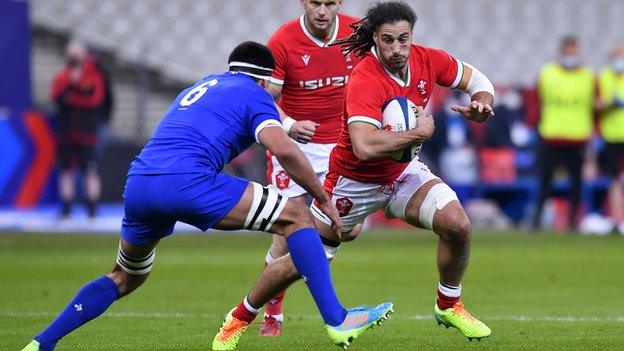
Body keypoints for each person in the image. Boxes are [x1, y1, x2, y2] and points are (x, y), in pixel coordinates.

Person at [20, 41, 393, 351]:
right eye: (277, 85)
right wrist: (321, 197)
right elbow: (284, 149)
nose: (280, 92)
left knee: (124, 276)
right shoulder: (255, 93)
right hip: (187, 180)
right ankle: (337, 319)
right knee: (298, 214)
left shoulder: (199, 87)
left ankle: (43, 343)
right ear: (265, 80)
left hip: (140, 181)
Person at [214, 1, 494, 343]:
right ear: (375, 39)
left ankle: (449, 303)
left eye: (403, 39)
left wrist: (483, 102)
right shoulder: (365, 77)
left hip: (402, 173)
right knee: (303, 258)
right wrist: (418, 134)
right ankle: (240, 317)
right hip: (353, 183)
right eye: (388, 40)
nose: (397, 49)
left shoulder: (428, 59)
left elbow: (475, 78)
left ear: (412, 37)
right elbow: (364, 146)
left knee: (457, 224)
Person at [260, 0, 361, 336]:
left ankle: (304, 260)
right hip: (295, 148)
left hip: (340, 147)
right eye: (315, 2)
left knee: (349, 229)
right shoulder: (283, 41)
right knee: (288, 230)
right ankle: (273, 311)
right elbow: (265, 98)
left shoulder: (356, 34)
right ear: (303, 2)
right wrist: (288, 124)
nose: (322, 10)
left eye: (329, 3)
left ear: (340, 3)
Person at [530, 35, 596, 231]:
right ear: (561, 52)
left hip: (577, 137)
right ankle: (537, 220)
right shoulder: (547, 73)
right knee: (545, 181)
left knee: (576, 184)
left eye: (572, 52)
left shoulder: (588, 76)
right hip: (552, 135)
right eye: (567, 51)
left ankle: (573, 222)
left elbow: (594, 106)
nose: (570, 55)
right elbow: (536, 103)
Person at [51, 39, 106, 219]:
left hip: (87, 133)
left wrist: (73, 95)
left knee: (90, 170)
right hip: (66, 132)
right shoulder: (63, 75)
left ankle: (92, 209)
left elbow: (94, 99)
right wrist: (72, 87)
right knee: (66, 170)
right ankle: (66, 208)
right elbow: (56, 96)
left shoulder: (93, 76)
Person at [598, 43, 624, 234]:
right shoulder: (604, 77)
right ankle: (616, 220)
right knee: (613, 179)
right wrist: (608, 104)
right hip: (612, 135)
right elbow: (595, 104)